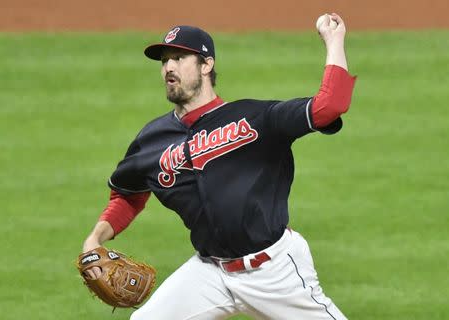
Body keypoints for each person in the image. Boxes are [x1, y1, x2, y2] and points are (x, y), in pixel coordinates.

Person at [82, 13, 356, 320]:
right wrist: (95, 239)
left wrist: (334, 41)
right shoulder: (151, 140)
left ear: (206, 65)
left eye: (179, 57)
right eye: (164, 61)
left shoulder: (255, 118)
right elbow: (128, 194)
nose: (169, 67)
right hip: (210, 273)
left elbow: (330, 105)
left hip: (275, 272)